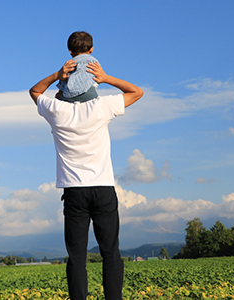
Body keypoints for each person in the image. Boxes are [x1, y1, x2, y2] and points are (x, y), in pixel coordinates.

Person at [28, 40, 144, 299]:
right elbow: (137, 92)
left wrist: (57, 75)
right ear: (90, 50)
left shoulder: (57, 110)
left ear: (69, 52)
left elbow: (35, 92)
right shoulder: (100, 107)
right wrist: (105, 78)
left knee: (77, 257)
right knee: (110, 253)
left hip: (74, 192)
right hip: (103, 188)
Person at [56, 31, 100, 102]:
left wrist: (59, 93)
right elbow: (99, 77)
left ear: (70, 51)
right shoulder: (93, 61)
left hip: (68, 95)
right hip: (89, 94)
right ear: (91, 49)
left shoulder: (69, 64)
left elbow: (63, 79)